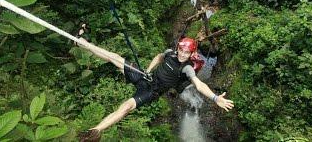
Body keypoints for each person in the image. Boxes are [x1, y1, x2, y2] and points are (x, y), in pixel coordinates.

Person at [78, 37, 234, 141]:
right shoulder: (170, 53)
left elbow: (199, 85)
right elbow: (159, 57)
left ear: (192, 53)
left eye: (187, 52)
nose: (182, 54)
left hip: (152, 91)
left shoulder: (187, 69)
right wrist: (148, 69)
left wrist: (215, 98)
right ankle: (83, 43)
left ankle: (95, 131)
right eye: (181, 50)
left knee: (126, 107)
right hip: (146, 78)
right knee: (116, 58)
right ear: (177, 48)